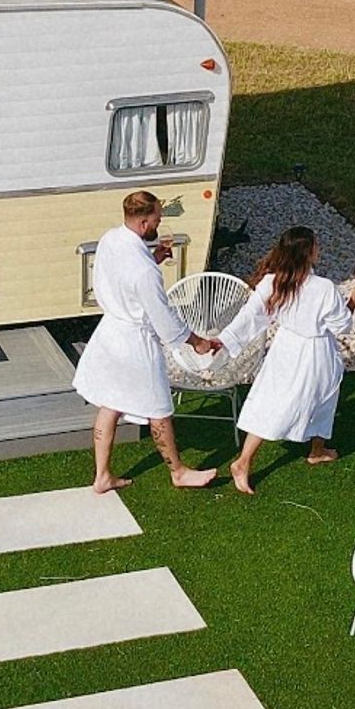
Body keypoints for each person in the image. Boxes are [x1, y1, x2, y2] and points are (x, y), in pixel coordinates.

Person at [72, 189, 224, 494]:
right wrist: (197, 342)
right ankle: (178, 472)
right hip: (134, 343)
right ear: (143, 223)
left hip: (109, 334)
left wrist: (154, 258)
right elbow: (164, 320)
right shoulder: (144, 272)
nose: (159, 223)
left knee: (110, 403)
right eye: (157, 219)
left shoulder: (110, 239)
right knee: (159, 409)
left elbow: (122, 281)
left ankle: (102, 475)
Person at [220, 227, 355, 495]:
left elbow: (250, 315)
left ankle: (317, 449)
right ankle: (243, 463)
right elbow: (342, 326)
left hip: (285, 348)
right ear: (308, 252)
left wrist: (224, 340)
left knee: (288, 399)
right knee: (309, 400)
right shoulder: (323, 288)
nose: (319, 249)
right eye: (316, 245)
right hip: (314, 352)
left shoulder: (273, 281)